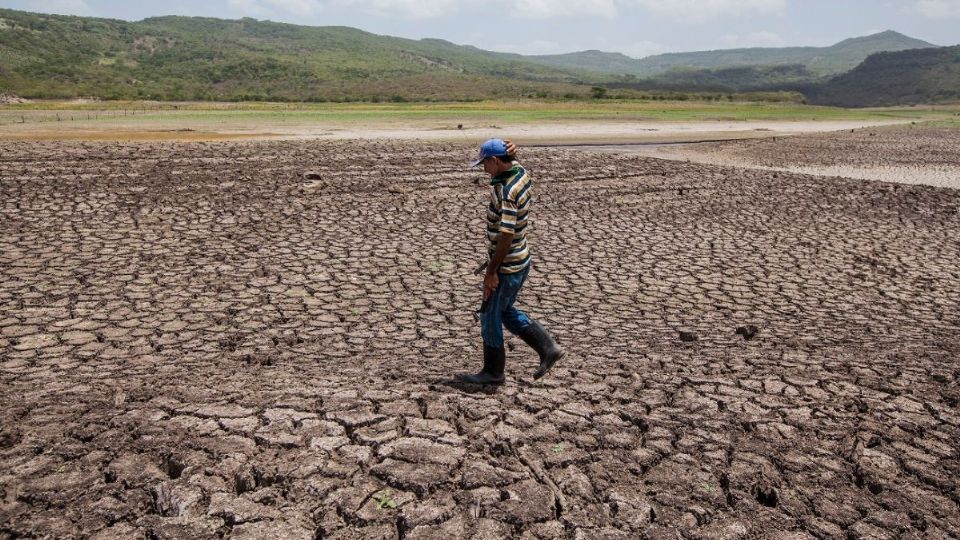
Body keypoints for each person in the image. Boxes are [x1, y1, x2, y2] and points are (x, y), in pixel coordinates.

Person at [461, 138, 565, 385]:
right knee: (505, 311)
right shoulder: (521, 174)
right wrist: (515, 152)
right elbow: (515, 162)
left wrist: (492, 272)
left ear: (495, 161)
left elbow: (506, 234)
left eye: (484, 163)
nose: (483, 169)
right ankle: (548, 348)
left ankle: (493, 372)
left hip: (508, 264)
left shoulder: (507, 192)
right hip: (521, 258)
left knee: (489, 315)